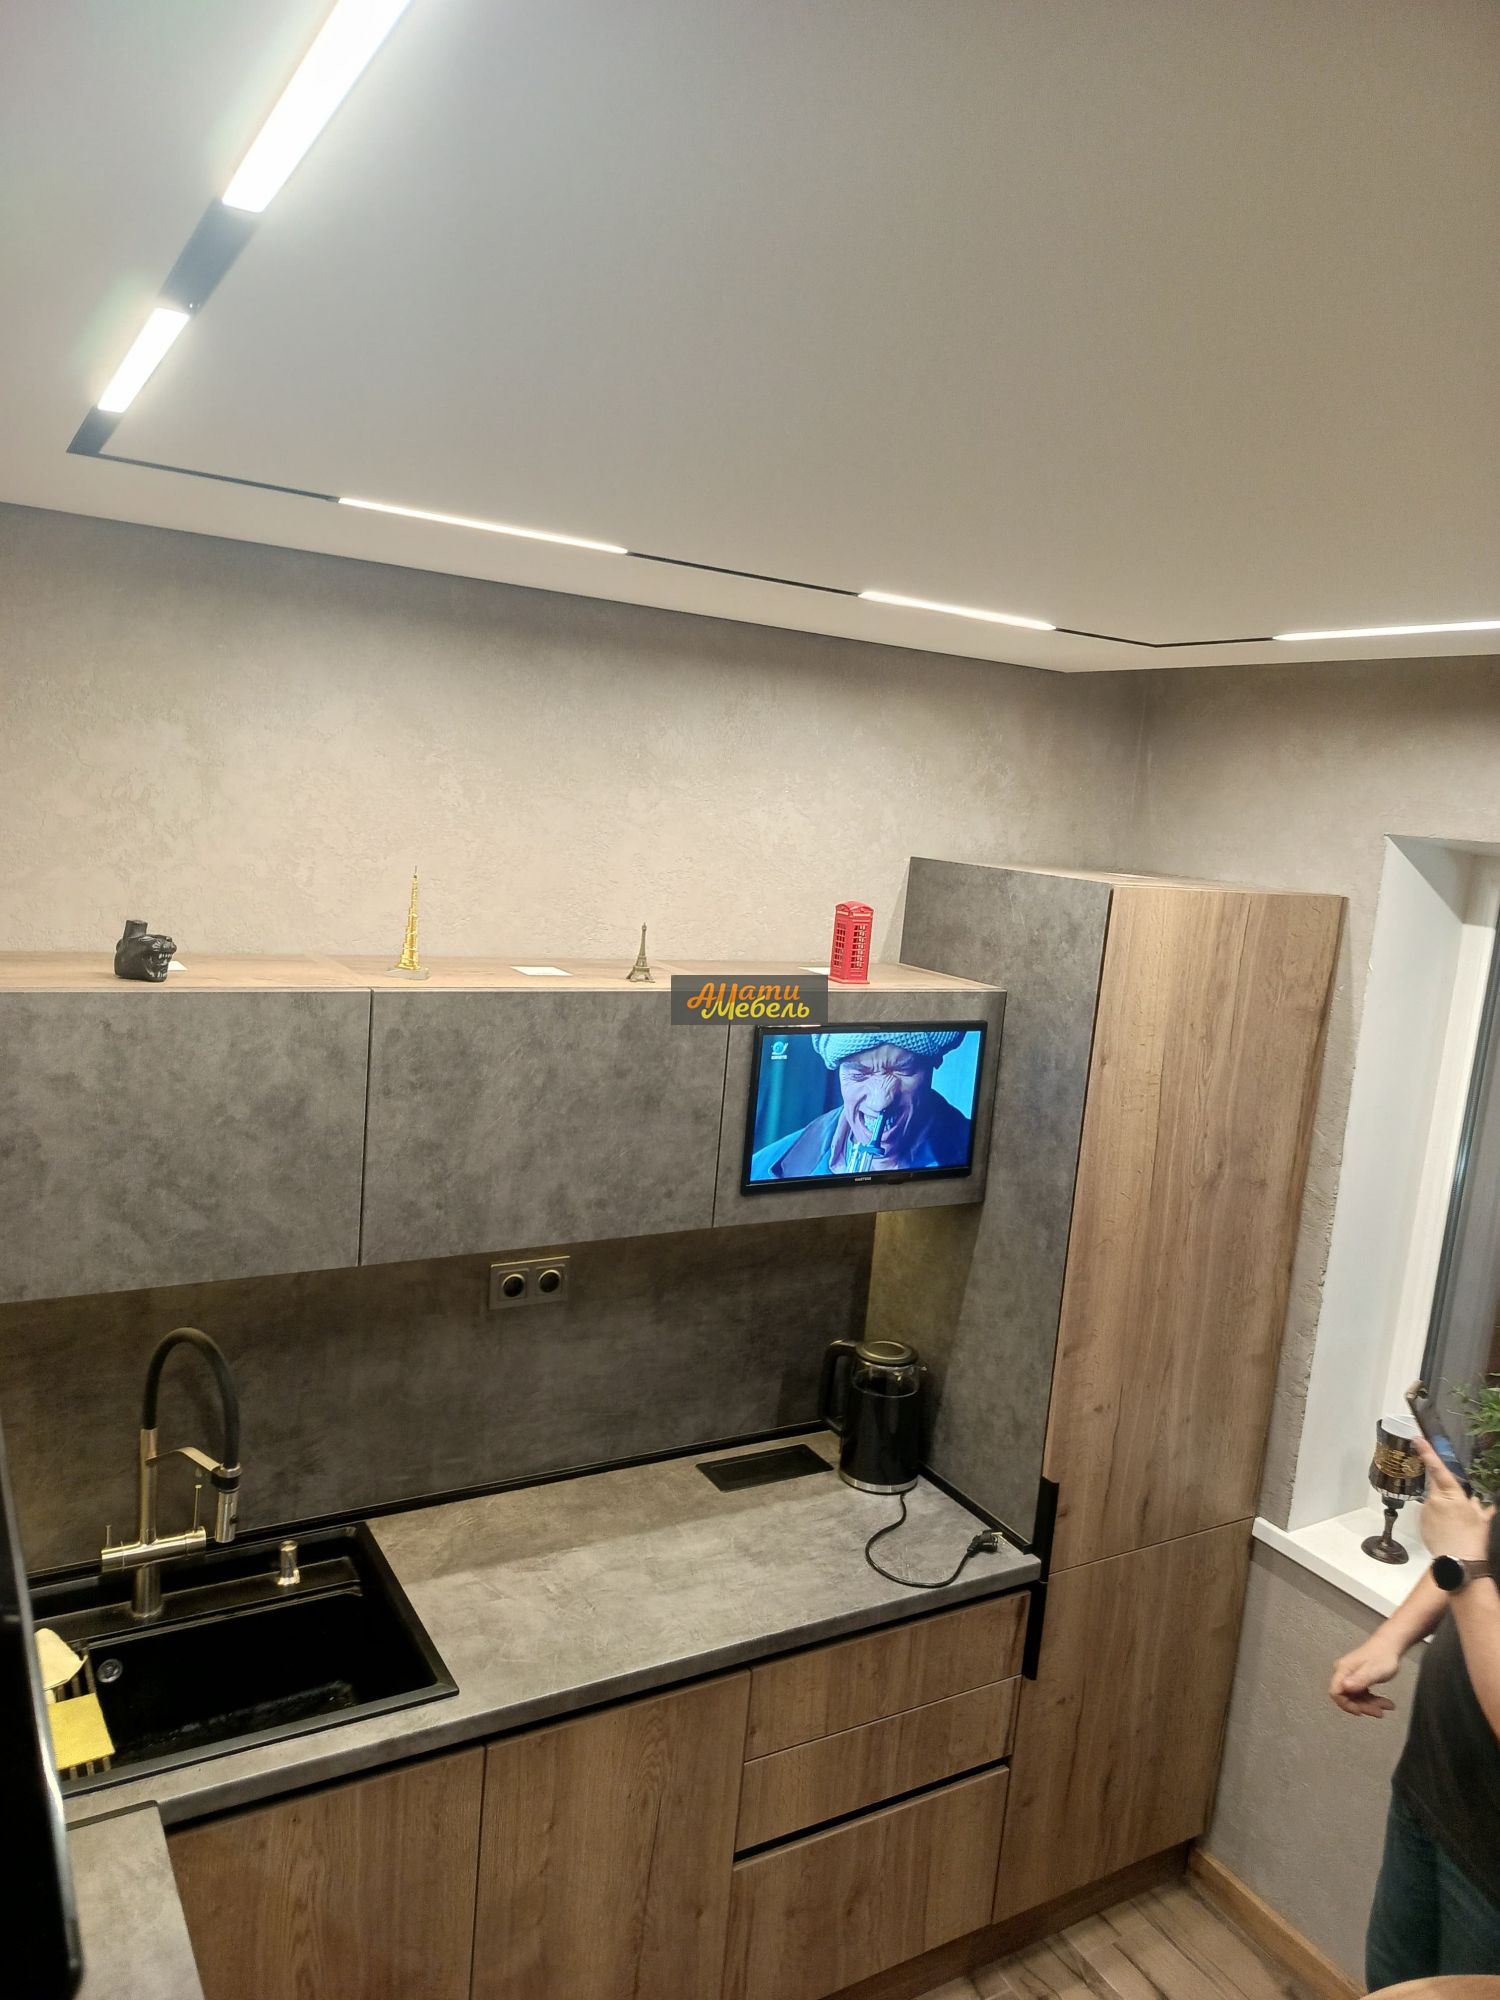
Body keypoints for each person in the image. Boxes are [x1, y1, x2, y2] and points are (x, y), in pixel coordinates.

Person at [1329, 1436, 1500, 1983]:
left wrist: (1462, 1565)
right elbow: (1482, 1544)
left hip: (1491, 1869)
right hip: (1429, 1786)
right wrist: (1390, 1638)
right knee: (1390, 1983)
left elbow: (1468, 1561)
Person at [750, 1030, 971, 1181]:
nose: (880, 1102)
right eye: (858, 1075)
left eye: (903, 1070)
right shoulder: (759, 1168)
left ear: (932, 1065)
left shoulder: (978, 1153)